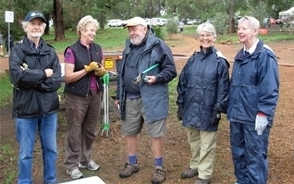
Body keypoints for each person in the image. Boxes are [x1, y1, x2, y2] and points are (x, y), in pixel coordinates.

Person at [115, 16, 177, 184]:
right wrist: (119, 95)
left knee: (155, 134)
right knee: (130, 132)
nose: (131, 32)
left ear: (144, 28)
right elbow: (122, 74)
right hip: (130, 98)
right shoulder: (128, 46)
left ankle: (159, 167)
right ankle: (132, 163)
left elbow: (171, 70)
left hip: (152, 98)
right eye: (129, 29)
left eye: (134, 28)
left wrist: (156, 78)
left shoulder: (158, 45)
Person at [9, 11, 61, 184]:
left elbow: (56, 82)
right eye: (33, 23)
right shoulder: (17, 51)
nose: (36, 27)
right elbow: (18, 77)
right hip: (25, 111)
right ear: (26, 27)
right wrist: (43, 74)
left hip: (49, 111)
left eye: (40, 24)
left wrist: (32, 78)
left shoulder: (50, 52)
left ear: (44, 28)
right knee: (25, 154)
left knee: (51, 150)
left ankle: (51, 181)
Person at [227, 16, 279, 184]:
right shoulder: (240, 55)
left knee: (255, 156)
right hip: (237, 116)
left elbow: (270, 87)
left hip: (254, 117)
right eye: (239, 28)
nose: (240, 31)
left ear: (255, 31)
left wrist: (263, 113)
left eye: (244, 28)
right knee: (238, 153)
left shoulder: (265, 56)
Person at [176, 22, 230, 184]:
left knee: (207, 144)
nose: (205, 38)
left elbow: (224, 88)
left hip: (209, 109)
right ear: (198, 37)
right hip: (191, 106)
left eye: (208, 35)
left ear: (214, 37)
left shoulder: (220, 61)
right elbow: (183, 81)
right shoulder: (193, 59)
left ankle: (204, 175)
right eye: (202, 35)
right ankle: (195, 166)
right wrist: (180, 104)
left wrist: (218, 109)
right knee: (194, 140)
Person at [63, 15, 106, 179]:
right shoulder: (71, 50)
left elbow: (100, 70)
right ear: (81, 30)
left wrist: (101, 72)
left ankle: (85, 159)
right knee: (74, 131)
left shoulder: (98, 48)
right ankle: (71, 165)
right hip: (76, 96)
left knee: (89, 130)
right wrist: (86, 70)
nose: (93, 34)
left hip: (95, 94)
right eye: (89, 30)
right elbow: (68, 77)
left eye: (94, 31)